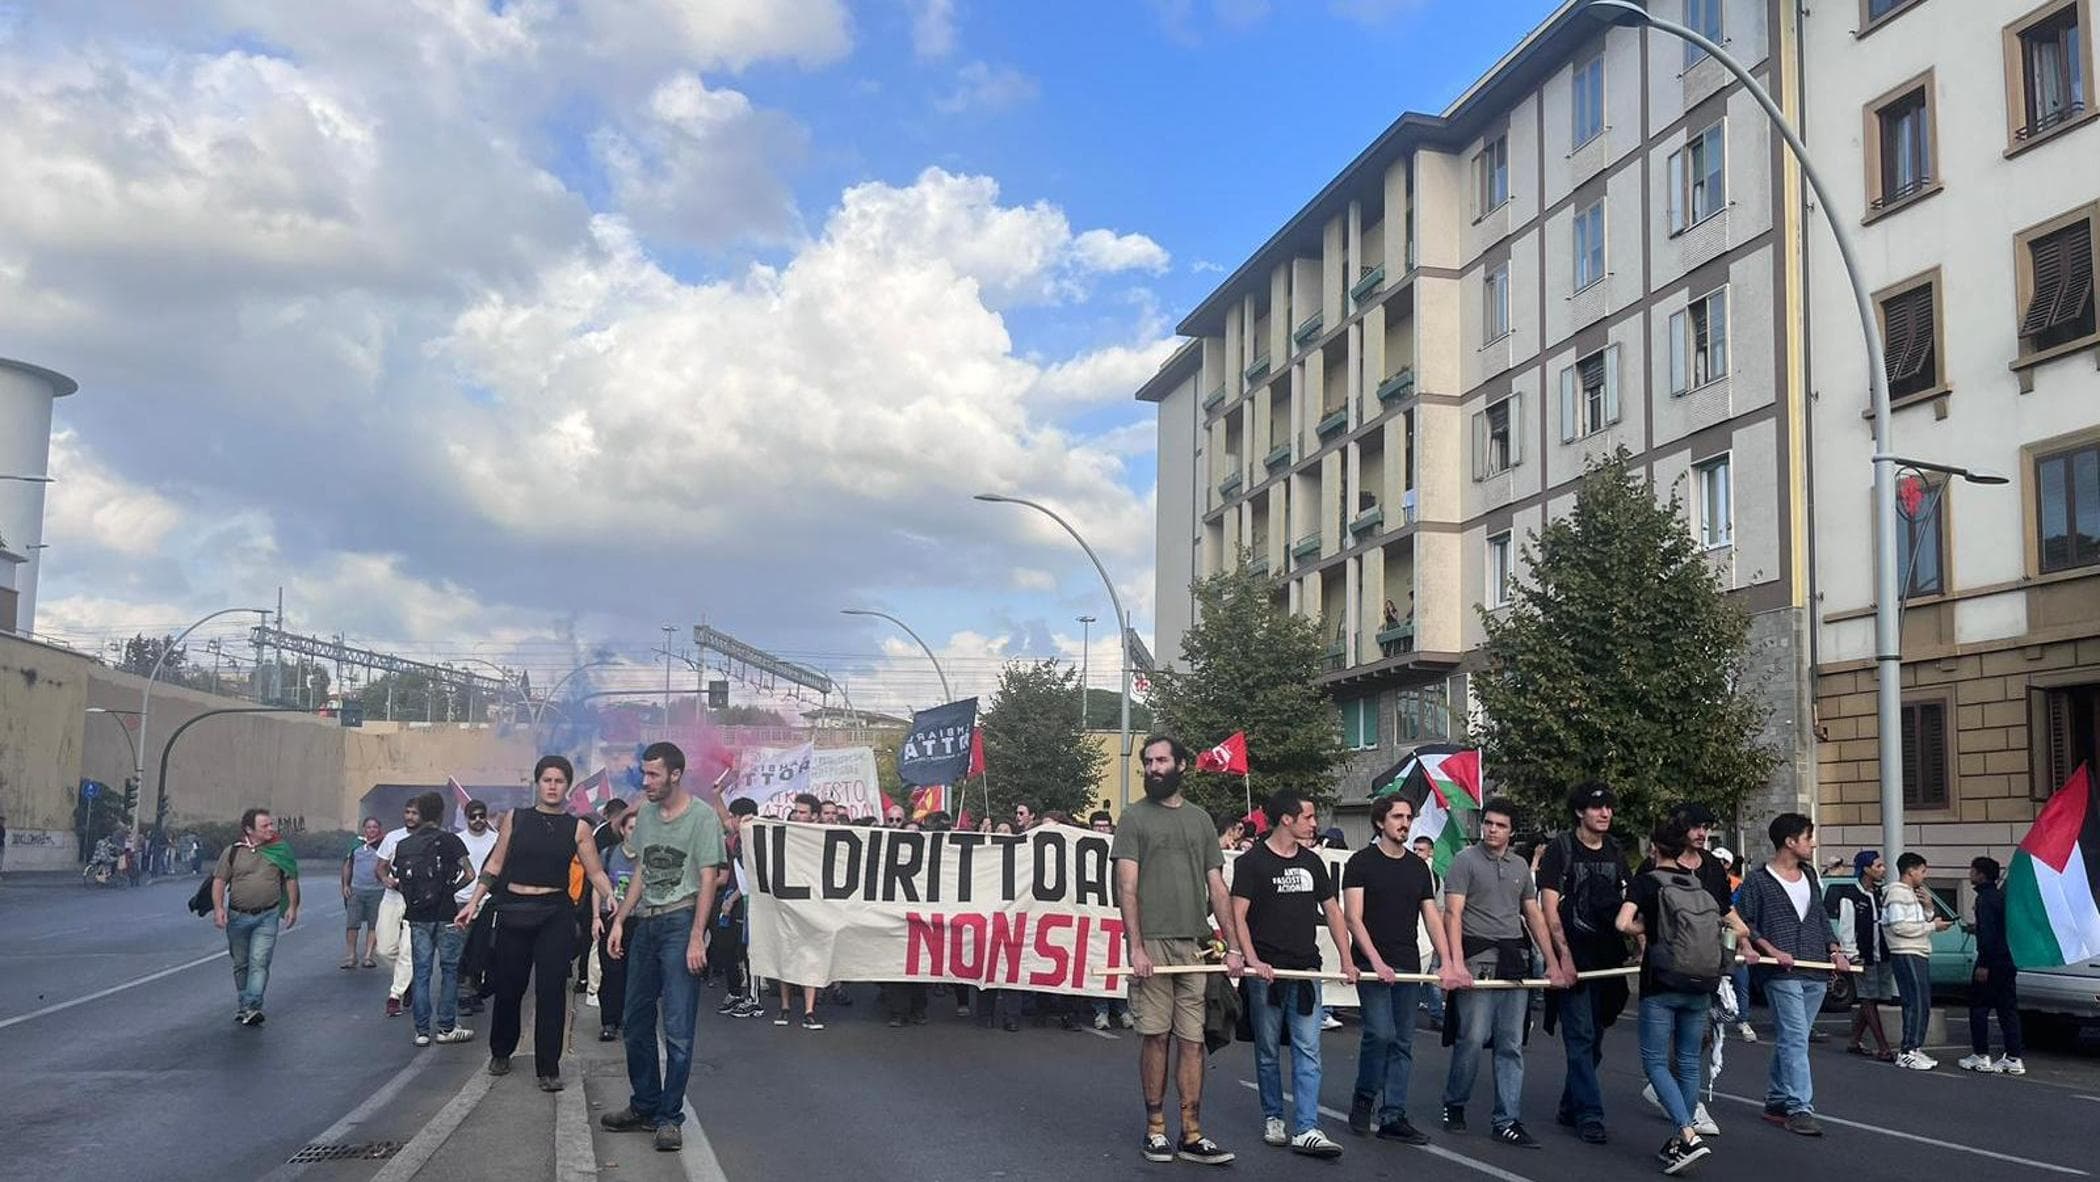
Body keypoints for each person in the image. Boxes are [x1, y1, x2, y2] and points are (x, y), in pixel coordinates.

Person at [453, 755, 618, 1092]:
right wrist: (473, 902)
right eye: (547, 780)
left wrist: (609, 895)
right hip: (514, 910)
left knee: (552, 991)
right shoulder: (517, 818)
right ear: (538, 783)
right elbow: (495, 864)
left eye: (559, 781)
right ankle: (501, 1051)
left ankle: (548, 1067)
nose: (553, 786)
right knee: (509, 987)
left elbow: (595, 870)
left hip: (554, 914)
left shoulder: (579, 827)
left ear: (567, 787)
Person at [1114, 735, 1239, 1166]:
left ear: (1181, 765)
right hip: (1153, 945)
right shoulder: (1133, 818)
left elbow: (1218, 887)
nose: (1152, 767)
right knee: (1156, 1036)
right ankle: (1155, 1129)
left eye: (1161, 760)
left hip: (1196, 947)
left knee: (1191, 1041)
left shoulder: (1201, 820)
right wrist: (1137, 947)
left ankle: (1192, 1132)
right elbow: (1126, 887)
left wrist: (1235, 947)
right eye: (1148, 761)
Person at [600, 742, 729, 1153]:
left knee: (677, 1029)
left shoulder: (702, 818)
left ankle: (669, 1117)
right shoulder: (647, 816)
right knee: (634, 1021)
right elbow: (642, 869)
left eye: (653, 774)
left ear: (675, 774)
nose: (646, 782)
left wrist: (696, 935)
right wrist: (620, 918)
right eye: (644, 774)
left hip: (680, 921)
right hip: (646, 925)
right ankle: (644, 1105)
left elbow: (709, 877)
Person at [1441, 796, 1570, 1148]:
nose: (1492, 830)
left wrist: (1555, 963)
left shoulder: (1518, 867)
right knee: (1472, 1037)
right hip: (1477, 960)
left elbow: (1534, 916)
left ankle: (1507, 1120)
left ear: (1512, 832)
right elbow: (1452, 914)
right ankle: (1455, 1103)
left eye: (1500, 825)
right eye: (1488, 823)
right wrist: (1452, 963)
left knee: (1511, 1044)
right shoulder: (1464, 861)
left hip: (1514, 962)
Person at [1233, 789, 1356, 1159]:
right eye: (1309, 816)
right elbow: (1238, 916)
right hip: (1267, 973)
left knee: (1309, 1049)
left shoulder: (1313, 863)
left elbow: (1334, 912)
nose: (1315, 823)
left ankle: (1307, 1127)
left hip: (1305, 970)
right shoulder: (1252, 862)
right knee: (1269, 1049)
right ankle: (1274, 1116)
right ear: (1287, 819)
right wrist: (1253, 960)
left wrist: (1347, 960)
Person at [1343, 794, 1454, 1146]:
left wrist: (1448, 960)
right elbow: (1353, 917)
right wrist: (1375, 961)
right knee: (1381, 1033)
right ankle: (1364, 1097)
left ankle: (1393, 1114)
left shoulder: (1418, 867)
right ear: (1380, 822)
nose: (1404, 823)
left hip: (1408, 964)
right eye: (1397, 817)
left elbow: (1432, 916)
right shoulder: (1361, 863)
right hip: (1372, 964)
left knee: (1403, 1041)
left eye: (1408, 817)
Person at [1617, 818, 1725, 1176]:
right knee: (1689, 1060)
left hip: (1661, 982)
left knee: (1655, 1063)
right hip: (1700, 983)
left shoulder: (1646, 882)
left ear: (1653, 849)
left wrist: (1645, 928)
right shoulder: (1696, 883)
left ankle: (1686, 1132)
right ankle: (1680, 1139)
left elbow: (1622, 923)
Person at [1733, 813, 1850, 1136]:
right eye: (1808, 837)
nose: (1813, 844)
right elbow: (1745, 922)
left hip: (1815, 967)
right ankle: (1800, 1107)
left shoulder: (1810, 875)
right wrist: (1770, 950)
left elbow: (1820, 918)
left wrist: (1835, 950)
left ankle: (1775, 1099)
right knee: (1796, 1037)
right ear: (1790, 841)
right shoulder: (1758, 880)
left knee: (1791, 1038)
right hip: (1781, 972)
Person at [1537, 783, 1631, 1146]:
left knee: (1595, 1040)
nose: (1605, 814)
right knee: (1580, 1036)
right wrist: (1561, 957)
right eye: (1597, 808)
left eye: (1609, 807)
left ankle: (1569, 1105)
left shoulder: (1616, 849)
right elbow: (1548, 908)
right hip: (1574, 958)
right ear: (1580, 812)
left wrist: (1639, 943)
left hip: (1608, 959)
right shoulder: (1560, 850)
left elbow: (1629, 898)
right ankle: (1590, 1115)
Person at [394, 791, 476, 1047]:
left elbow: (400, 880)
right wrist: (450, 889)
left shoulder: (405, 845)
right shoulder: (450, 840)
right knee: (450, 970)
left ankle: (421, 1031)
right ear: (442, 813)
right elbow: (470, 874)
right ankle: (446, 1027)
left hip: (417, 916)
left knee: (421, 972)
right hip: (446, 913)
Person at [210, 808, 300, 1025]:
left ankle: (253, 1005)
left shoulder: (280, 850)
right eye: (265, 826)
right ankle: (244, 1004)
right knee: (241, 963)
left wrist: (292, 907)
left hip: (267, 915)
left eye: (271, 824)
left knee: (259, 961)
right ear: (249, 830)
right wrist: (218, 908)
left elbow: (291, 878)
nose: (271, 829)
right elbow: (220, 880)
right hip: (237, 916)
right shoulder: (232, 852)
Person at [1882, 851, 1948, 1070]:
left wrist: (1928, 907)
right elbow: (1899, 926)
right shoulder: (1897, 894)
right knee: (1915, 1001)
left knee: (1922, 1002)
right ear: (1910, 871)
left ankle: (1914, 1047)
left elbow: (1918, 920)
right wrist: (1931, 927)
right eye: (1921, 871)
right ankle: (1908, 1050)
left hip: (1917, 950)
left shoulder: (1911, 894)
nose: (1923, 875)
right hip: (1906, 951)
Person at [1961, 856, 2025, 1075]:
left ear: (1980, 874)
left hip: (1991, 961)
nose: (1970, 874)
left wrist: (1984, 963)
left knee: (1979, 1007)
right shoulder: (2001, 897)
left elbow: (1988, 933)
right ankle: (2013, 1057)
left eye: (1973, 870)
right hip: (2008, 959)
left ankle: (1981, 1054)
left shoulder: (1984, 900)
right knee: (2008, 1010)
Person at [1829, 850, 1896, 1061]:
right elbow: (1846, 927)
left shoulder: (1879, 893)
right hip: (1863, 954)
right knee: (1867, 998)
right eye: (1878, 866)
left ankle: (1854, 1040)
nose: (1882, 869)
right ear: (1866, 869)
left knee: (1875, 997)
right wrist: (1851, 953)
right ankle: (1883, 1046)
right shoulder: (1850, 895)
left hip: (1881, 953)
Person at [774, 793, 825, 1028]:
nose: (797, 814)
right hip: (787, 903)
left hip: (813, 904)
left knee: (810, 957)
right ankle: (785, 1007)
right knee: (787, 954)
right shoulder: (782, 833)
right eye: (795, 810)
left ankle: (809, 1010)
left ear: (814, 816)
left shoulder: (824, 838)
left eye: (803, 812)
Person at [713, 798, 764, 1020]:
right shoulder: (738, 840)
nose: (730, 821)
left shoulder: (753, 842)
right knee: (732, 948)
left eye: (734, 817)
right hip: (738, 902)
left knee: (749, 951)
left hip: (749, 903)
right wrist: (717, 795)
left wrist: (731, 899)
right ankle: (739, 994)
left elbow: (750, 880)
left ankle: (754, 1000)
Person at [374, 798, 423, 1018]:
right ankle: (407, 980)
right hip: (392, 898)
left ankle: (395, 996)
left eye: (415, 813)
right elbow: (381, 867)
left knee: (407, 950)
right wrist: (385, 879)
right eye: (408, 812)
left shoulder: (429, 839)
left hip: (416, 901)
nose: (410, 817)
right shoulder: (393, 837)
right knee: (383, 949)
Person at [595, 808, 640, 1041]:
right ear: (622, 830)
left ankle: (629, 1018)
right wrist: (595, 917)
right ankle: (609, 1021)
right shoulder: (609, 854)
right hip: (610, 918)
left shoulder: (648, 857)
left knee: (635, 973)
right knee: (611, 971)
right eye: (631, 827)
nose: (634, 832)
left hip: (638, 920)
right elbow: (597, 885)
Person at [454, 801, 499, 1016]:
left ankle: (474, 991)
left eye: (482, 815)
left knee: (481, 951)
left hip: (488, 903)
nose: (478, 820)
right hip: (461, 902)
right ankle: (462, 994)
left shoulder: (497, 840)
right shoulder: (458, 840)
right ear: (466, 817)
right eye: (473, 816)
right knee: (460, 951)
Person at [1411, 833, 1448, 1029]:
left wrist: (1437, 938)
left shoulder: (1436, 878)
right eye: (1415, 849)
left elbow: (1439, 909)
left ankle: (1436, 1014)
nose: (1417, 853)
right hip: (1410, 932)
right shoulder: (1405, 872)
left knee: (1432, 976)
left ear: (1431, 852)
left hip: (1428, 933)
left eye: (1421, 850)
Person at [341, 817, 386, 970]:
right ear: (364, 829)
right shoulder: (356, 845)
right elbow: (348, 865)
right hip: (356, 889)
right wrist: (345, 885)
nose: (371, 830)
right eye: (368, 827)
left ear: (379, 829)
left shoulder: (384, 845)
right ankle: (351, 956)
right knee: (352, 924)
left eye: (374, 827)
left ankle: (368, 956)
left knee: (374, 924)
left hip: (377, 890)